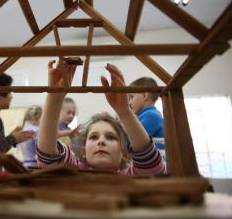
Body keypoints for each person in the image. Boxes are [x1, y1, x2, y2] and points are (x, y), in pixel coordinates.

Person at [36, 59, 165, 175]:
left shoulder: (131, 176)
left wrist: (124, 111)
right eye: (93, 137)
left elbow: (149, 161)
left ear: (124, 153)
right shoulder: (73, 171)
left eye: (110, 137)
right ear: (84, 152)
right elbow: (48, 156)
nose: (101, 141)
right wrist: (54, 98)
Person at [0, 73, 35, 175]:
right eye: (10, 92)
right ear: (0, 94)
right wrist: (12, 138)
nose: (11, 97)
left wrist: (12, 138)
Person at [128, 77, 165, 150]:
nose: (129, 102)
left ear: (145, 96)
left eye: (131, 97)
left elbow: (132, 140)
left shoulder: (150, 116)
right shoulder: (149, 114)